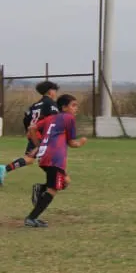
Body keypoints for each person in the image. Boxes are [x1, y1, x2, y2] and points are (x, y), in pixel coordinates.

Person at [24, 94, 86, 227]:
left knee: (65, 181)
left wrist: (38, 145)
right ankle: (31, 218)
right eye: (73, 105)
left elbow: (31, 128)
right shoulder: (69, 118)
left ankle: (40, 189)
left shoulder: (50, 118)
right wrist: (81, 142)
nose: (76, 108)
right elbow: (71, 142)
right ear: (64, 107)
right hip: (55, 158)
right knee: (54, 188)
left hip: (44, 156)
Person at [0, 80, 61, 188]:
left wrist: (29, 131)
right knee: (49, 159)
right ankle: (57, 181)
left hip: (33, 135)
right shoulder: (51, 104)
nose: (55, 93)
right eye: (55, 90)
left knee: (30, 159)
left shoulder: (34, 105)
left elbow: (26, 119)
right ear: (50, 91)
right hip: (42, 136)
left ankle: (4, 169)